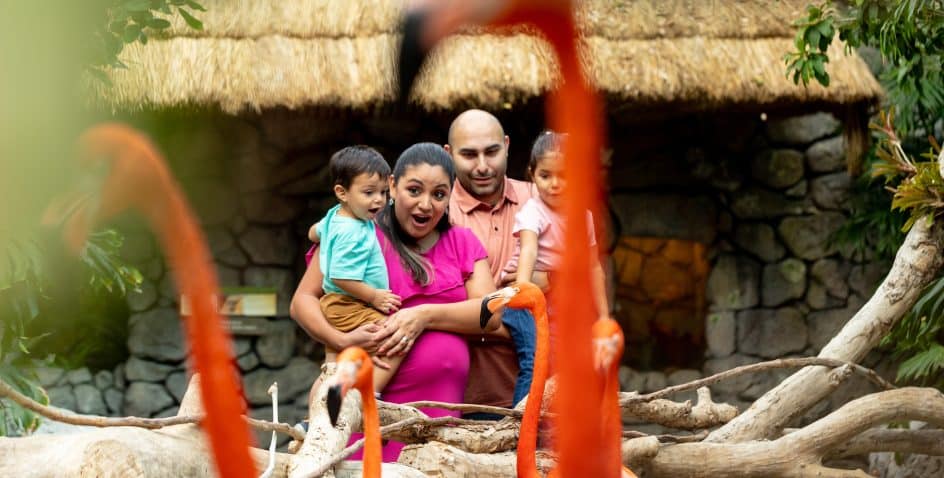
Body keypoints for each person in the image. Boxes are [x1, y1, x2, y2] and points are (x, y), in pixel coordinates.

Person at [291, 142, 504, 462]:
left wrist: (422, 316)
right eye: (414, 190)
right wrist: (341, 339)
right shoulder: (357, 230)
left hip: (434, 430)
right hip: (360, 412)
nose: (426, 204)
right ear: (392, 185)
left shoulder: (463, 242)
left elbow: (491, 314)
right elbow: (303, 300)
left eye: (439, 194)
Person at [443, 109, 549, 412]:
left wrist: (548, 279)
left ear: (506, 145)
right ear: (448, 154)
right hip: (462, 400)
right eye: (469, 155)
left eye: (491, 152)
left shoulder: (541, 198)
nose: (482, 166)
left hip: (546, 396)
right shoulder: (436, 212)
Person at [308, 145, 404, 394]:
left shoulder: (335, 216)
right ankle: (368, 394)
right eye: (369, 192)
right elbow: (340, 275)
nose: (379, 200)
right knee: (394, 335)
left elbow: (313, 233)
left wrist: (325, 238)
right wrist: (374, 296)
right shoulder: (353, 232)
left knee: (332, 361)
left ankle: (323, 398)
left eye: (383, 192)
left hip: (336, 304)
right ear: (342, 192)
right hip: (348, 304)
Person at [502, 130, 610, 322]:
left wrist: (603, 316)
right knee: (538, 349)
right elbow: (529, 250)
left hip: (562, 297)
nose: (554, 184)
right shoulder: (533, 211)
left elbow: (593, 267)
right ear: (532, 175)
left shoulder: (584, 218)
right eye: (545, 175)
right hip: (525, 293)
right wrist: (524, 293)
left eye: (564, 175)